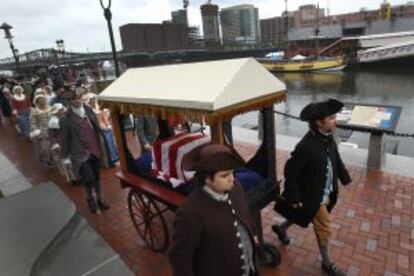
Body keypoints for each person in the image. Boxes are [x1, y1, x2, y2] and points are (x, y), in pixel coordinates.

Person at [273, 99, 352, 276]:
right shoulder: (305, 146)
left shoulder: (328, 137)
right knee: (325, 226)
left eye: (334, 117)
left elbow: (335, 158)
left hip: (325, 191)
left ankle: (281, 228)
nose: (335, 120)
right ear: (319, 122)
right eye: (331, 118)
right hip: (311, 194)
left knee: (305, 213)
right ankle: (327, 263)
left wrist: (344, 176)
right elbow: (290, 170)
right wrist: (293, 195)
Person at [169, 143, 260, 276]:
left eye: (233, 173)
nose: (232, 179)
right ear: (207, 179)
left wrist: (253, 233)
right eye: (224, 175)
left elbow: (245, 212)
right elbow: (180, 258)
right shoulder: (190, 213)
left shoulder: (236, 188)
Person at [60, 87, 110, 213]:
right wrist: (65, 157)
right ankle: (90, 199)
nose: (76, 100)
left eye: (78, 97)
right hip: (80, 153)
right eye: (73, 99)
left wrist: (103, 129)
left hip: (96, 149)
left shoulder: (89, 110)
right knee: (88, 178)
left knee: (97, 177)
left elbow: (96, 126)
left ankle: (99, 198)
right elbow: (64, 139)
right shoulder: (65, 118)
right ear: (69, 101)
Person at [29, 94, 53, 167]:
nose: (42, 102)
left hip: (51, 129)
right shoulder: (34, 111)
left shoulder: (50, 108)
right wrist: (37, 132)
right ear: (37, 102)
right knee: (44, 148)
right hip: (41, 130)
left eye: (43, 100)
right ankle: (47, 159)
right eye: (40, 101)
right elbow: (32, 122)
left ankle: (51, 158)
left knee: (53, 146)